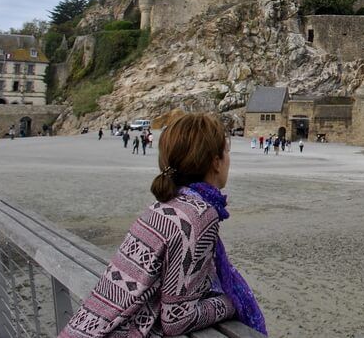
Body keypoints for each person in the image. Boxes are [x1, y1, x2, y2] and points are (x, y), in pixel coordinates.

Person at [60, 112, 266, 337]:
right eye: (227, 152)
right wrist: (233, 300)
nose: (229, 159)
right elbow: (177, 319)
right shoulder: (199, 215)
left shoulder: (165, 206)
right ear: (216, 162)